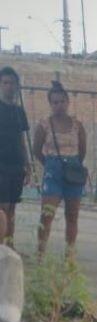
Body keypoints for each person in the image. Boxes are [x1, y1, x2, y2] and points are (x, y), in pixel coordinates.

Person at [32, 80, 87, 259]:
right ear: (50, 104)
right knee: (47, 215)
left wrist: (73, 164)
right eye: (55, 102)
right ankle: (41, 253)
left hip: (73, 172)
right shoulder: (44, 125)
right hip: (53, 173)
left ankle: (69, 255)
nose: (59, 105)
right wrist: (50, 164)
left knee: (72, 215)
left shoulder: (77, 125)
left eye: (62, 101)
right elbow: (36, 149)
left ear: (68, 102)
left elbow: (82, 150)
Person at [0, 66, 31, 249]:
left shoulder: (19, 112)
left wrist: (27, 165)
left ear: (17, 86)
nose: (9, 87)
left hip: (16, 165)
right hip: (1, 165)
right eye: (5, 83)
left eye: (12, 83)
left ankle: (10, 247)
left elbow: (22, 139)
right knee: (2, 208)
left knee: (12, 207)